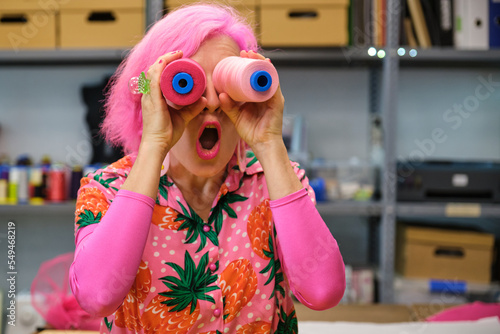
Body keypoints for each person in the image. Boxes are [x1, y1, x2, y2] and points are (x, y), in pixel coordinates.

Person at [69, 3, 345, 334]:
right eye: (187, 83)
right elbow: (97, 296)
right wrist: (154, 143)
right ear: (154, 95)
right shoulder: (106, 189)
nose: (212, 103)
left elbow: (323, 292)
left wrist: (270, 144)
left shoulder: (277, 181)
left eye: (228, 83)